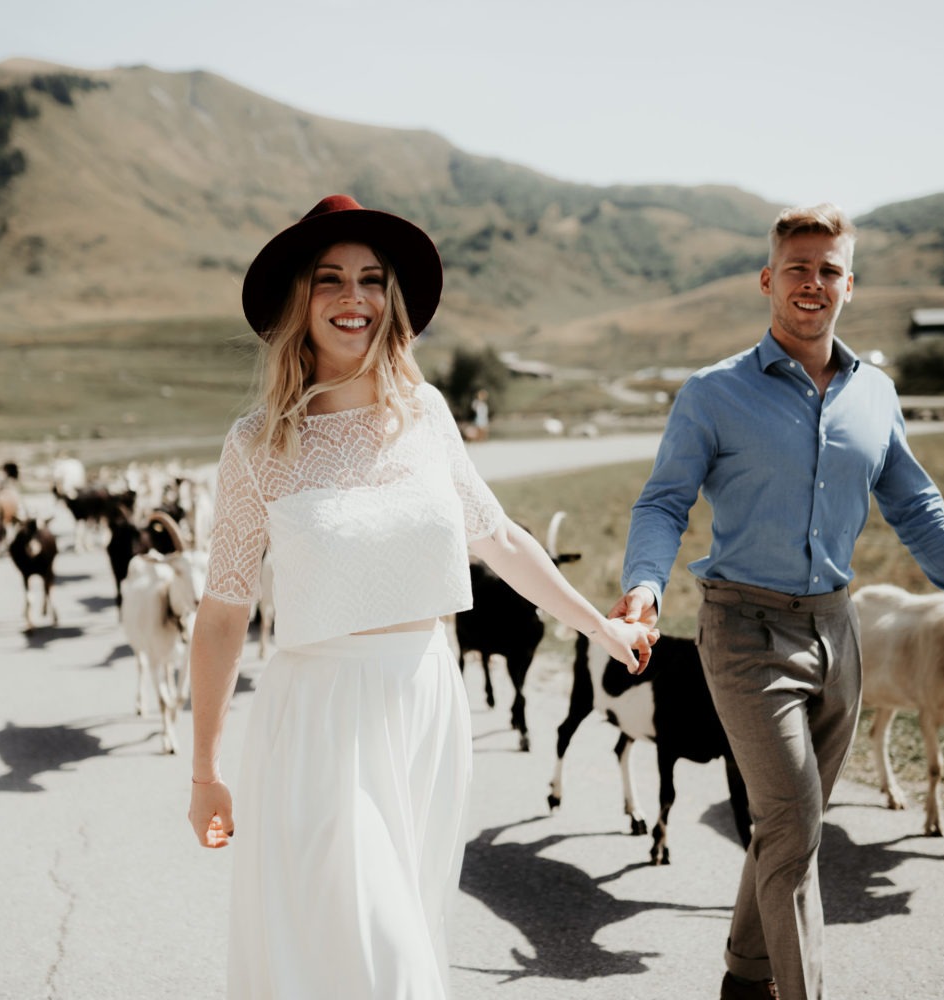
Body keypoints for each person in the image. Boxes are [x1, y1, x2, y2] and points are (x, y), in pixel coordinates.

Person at [187, 194, 653, 999]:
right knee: (384, 960)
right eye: (330, 279)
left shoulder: (426, 414)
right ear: (299, 300)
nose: (354, 297)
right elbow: (224, 612)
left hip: (426, 707)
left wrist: (598, 628)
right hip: (318, 721)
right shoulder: (257, 443)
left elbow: (500, 540)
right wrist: (204, 771)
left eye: (372, 279)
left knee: (399, 930)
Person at [613, 204, 944, 1000]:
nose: (814, 283)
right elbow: (664, 502)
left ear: (851, 284)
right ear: (768, 280)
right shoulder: (713, 393)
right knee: (793, 824)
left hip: (837, 633)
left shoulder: (875, 394)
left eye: (830, 270)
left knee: (789, 827)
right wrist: (644, 584)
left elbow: (917, 508)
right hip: (743, 630)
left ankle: (744, 981)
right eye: (798, 269)